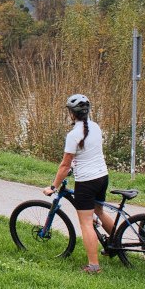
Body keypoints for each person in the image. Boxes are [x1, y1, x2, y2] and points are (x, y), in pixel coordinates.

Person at [43, 94, 114, 273]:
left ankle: (94, 266)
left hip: (87, 182)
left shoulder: (74, 134)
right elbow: (89, 153)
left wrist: (53, 187)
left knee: (86, 222)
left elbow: (65, 165)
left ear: (72, 114)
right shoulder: (96, 127)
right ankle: (115, 244)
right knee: (99, 211)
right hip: (102, 177)